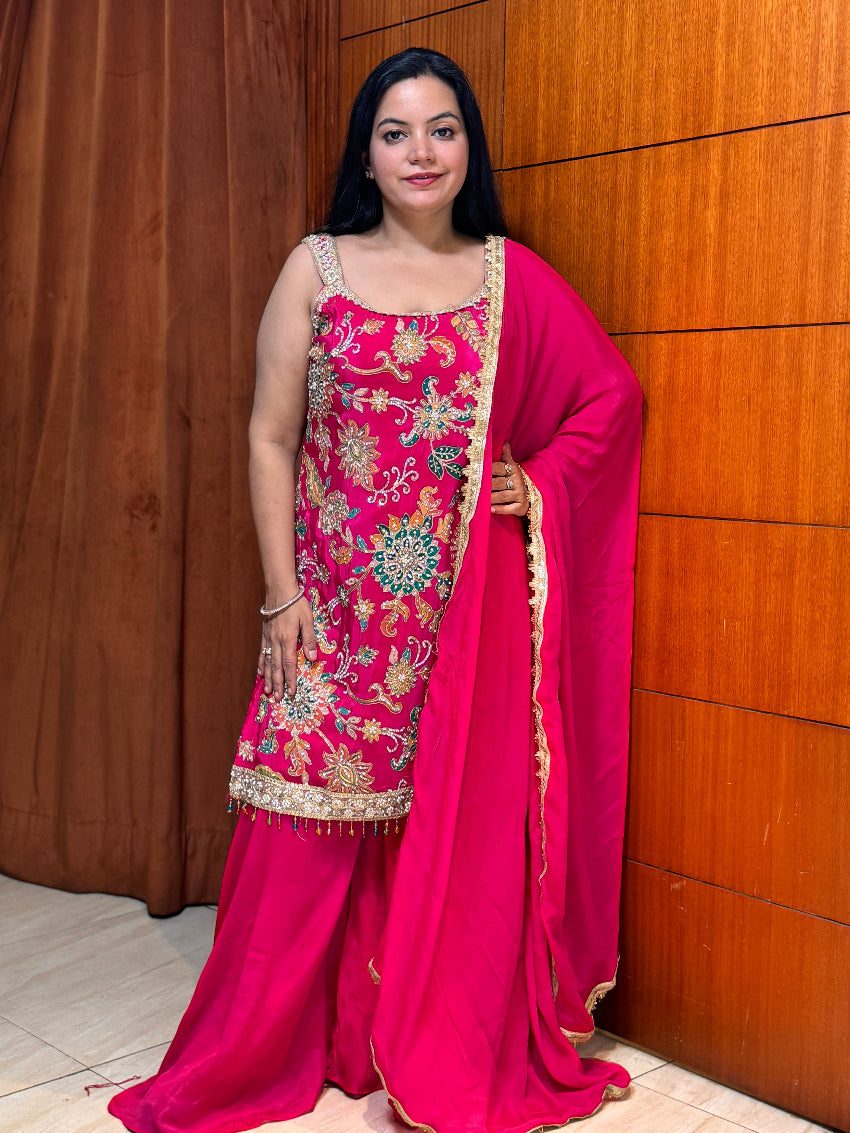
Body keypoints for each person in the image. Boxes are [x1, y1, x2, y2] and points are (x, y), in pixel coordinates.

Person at [110, 47, 641, 1133]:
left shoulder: (509, 278)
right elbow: (268, 437)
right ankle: (276, 1044)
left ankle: (396, 1035)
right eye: (396, 132)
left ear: (467, 148)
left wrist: (532, 485)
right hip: (333, 610)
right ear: (366, 149)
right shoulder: (319, 267)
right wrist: (280, 595)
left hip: (458, 617)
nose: (420, 151)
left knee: (440, 824)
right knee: (304, 823)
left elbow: (608, 402)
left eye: (442, 129)